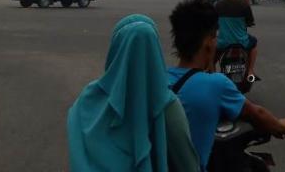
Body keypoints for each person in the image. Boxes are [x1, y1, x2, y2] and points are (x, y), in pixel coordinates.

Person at [168, 0, 285, 171]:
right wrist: (283, 126)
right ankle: (250, 71)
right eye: (215, 37)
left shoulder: (159, 80)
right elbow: (256, 113)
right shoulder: (216, 85)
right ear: (208, 42)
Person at [68, 13, 199, 172]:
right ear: (155, 53)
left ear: (115, 50)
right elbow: (189, 166)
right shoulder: (167, 106)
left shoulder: (88, 99)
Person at [215, 0, 258, 80]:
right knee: (254, 43)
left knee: (212, 54)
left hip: (223, 42)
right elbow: (250, 22)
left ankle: (210, 71)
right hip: (241, 42)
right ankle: (250, 70)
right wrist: (247, 4)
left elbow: (214, 24)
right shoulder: (244, 4)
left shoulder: (218, 4)